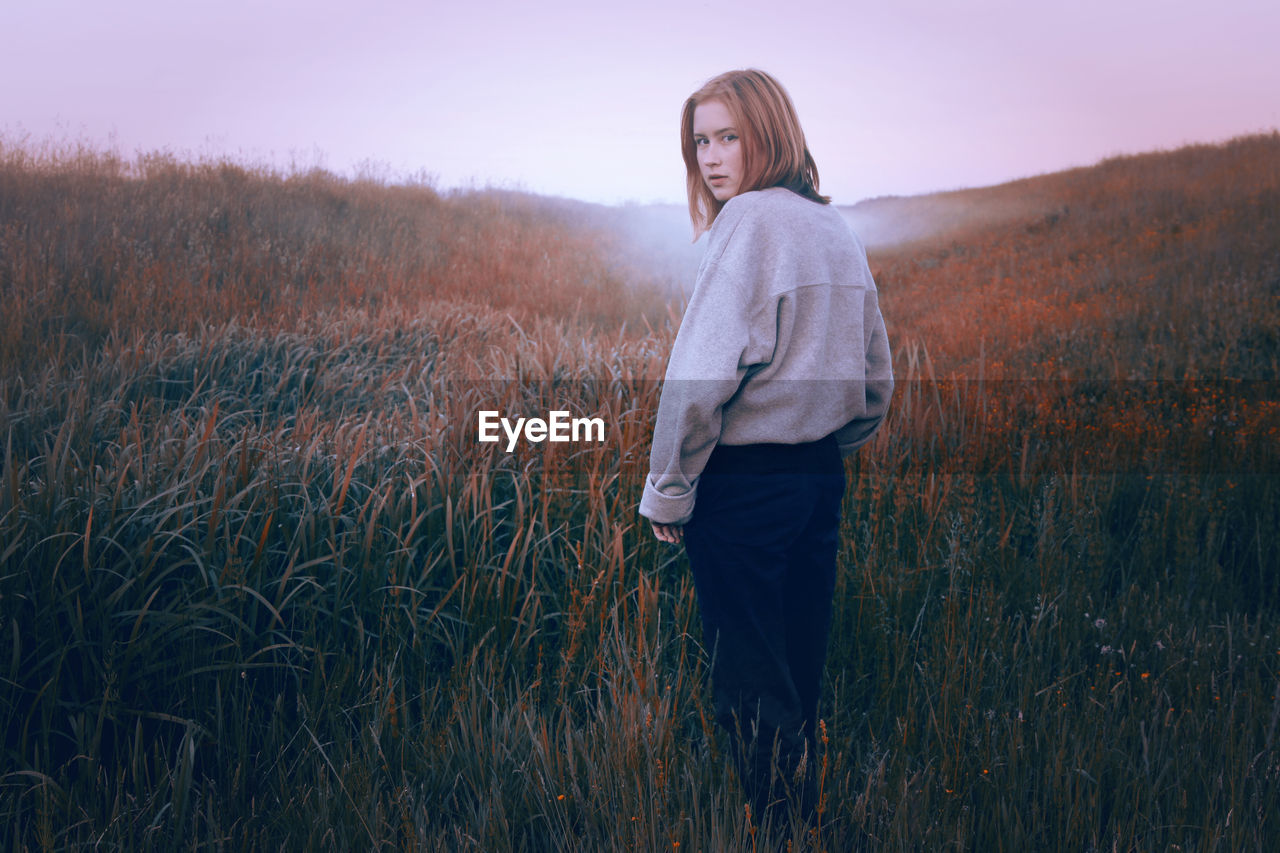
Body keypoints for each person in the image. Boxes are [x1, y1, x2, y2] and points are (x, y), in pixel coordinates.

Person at [638, 69, 894, 827]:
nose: (712, 159)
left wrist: (671, 486)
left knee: (750, 674)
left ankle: (780, 828)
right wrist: (821, 438)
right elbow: (876, 378)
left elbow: (698, 375)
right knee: (797, 657)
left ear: (769, 133)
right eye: (700, 142)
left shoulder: (748, 222)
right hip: (817, 476)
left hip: (745, 482)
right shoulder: (830, 225)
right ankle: (804, 819)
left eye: (729, 137)